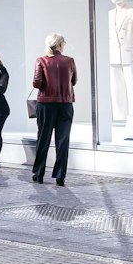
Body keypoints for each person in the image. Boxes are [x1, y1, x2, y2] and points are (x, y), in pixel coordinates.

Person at [31, 34, 78, 186]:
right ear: (60, 45)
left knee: (43, 138)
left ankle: (39, 173)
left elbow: (37, 83)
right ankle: (60, 176)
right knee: (63, 140)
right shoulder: (69, 61)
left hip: (46, 104)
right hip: (65, 104)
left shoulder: (41, 60)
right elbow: (74, 81)